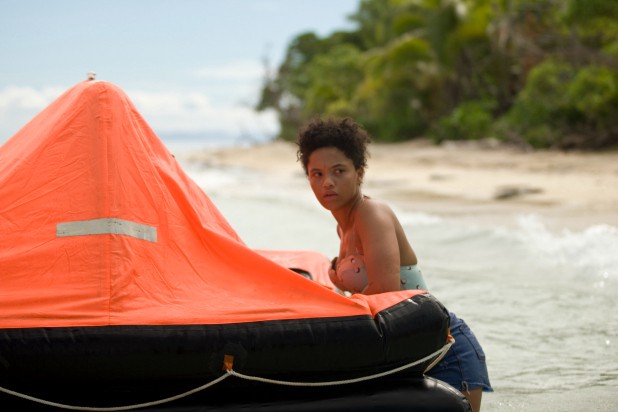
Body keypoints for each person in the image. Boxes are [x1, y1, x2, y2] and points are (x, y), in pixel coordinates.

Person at [296, 116, 492, 412]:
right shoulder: (344, 228)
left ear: (359, 173)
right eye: (316, 174)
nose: (327, 182)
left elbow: (385, 291)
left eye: (339, 171)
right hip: (405, 353)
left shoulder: (371, 213)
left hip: (444, 349)